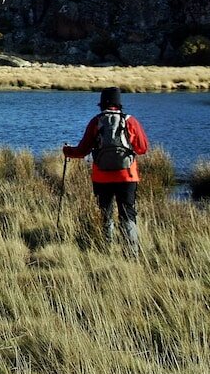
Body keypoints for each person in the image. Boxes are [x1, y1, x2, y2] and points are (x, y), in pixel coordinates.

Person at [63, 86, 149, 254]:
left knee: (105, 213)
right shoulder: (130, 121)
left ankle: (106, 249)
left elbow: (82, 151)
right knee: (127, 213)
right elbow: (143, 148)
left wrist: (67, 151)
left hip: (101, 177)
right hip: (127, 176)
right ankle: (132, 252)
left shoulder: (96, 121)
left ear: (102, 104)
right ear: (119, 104)